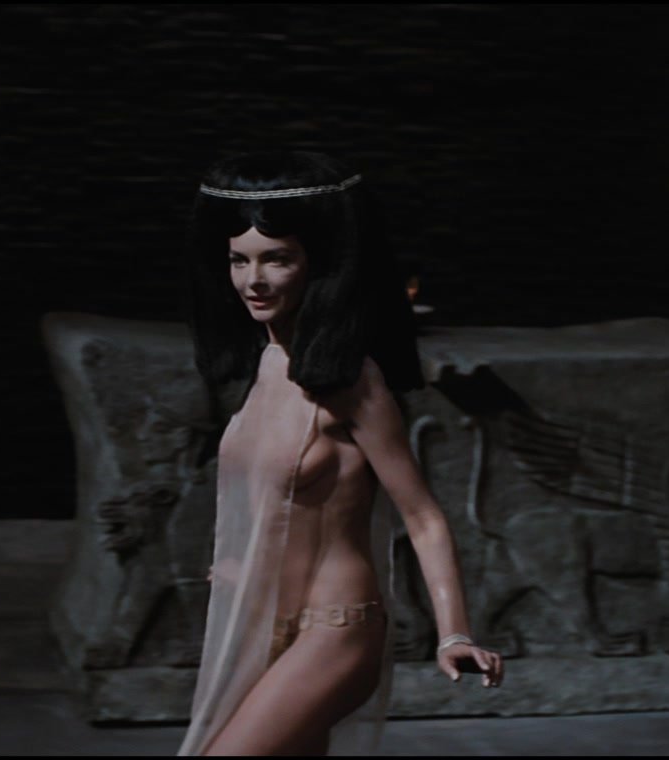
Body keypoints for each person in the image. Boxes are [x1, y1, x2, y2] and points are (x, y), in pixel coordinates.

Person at [176, 150, 506, 756]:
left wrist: (453, 633)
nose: (253, 280)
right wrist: (235, 568)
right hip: (261, 619)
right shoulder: (267, 362)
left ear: (317, 265)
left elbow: (423, 517)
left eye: (277, 259)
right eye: (239, 260)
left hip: (336, 630)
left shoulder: (351, 380)